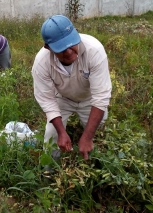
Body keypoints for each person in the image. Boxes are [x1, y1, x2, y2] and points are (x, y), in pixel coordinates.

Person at [32, 15, 112, 161]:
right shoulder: (41, 63)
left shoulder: (94, 50)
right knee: (52, 135)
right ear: (48, 47)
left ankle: (94, 161)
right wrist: (61, 132)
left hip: (89, 99)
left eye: (71, 44)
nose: (69, 52)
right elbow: (47, 100)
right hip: (63, 98)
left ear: (75, 32)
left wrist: (87, 137)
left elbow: (100, 97)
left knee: (99, 129)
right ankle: (49, 169)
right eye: (61, 48)